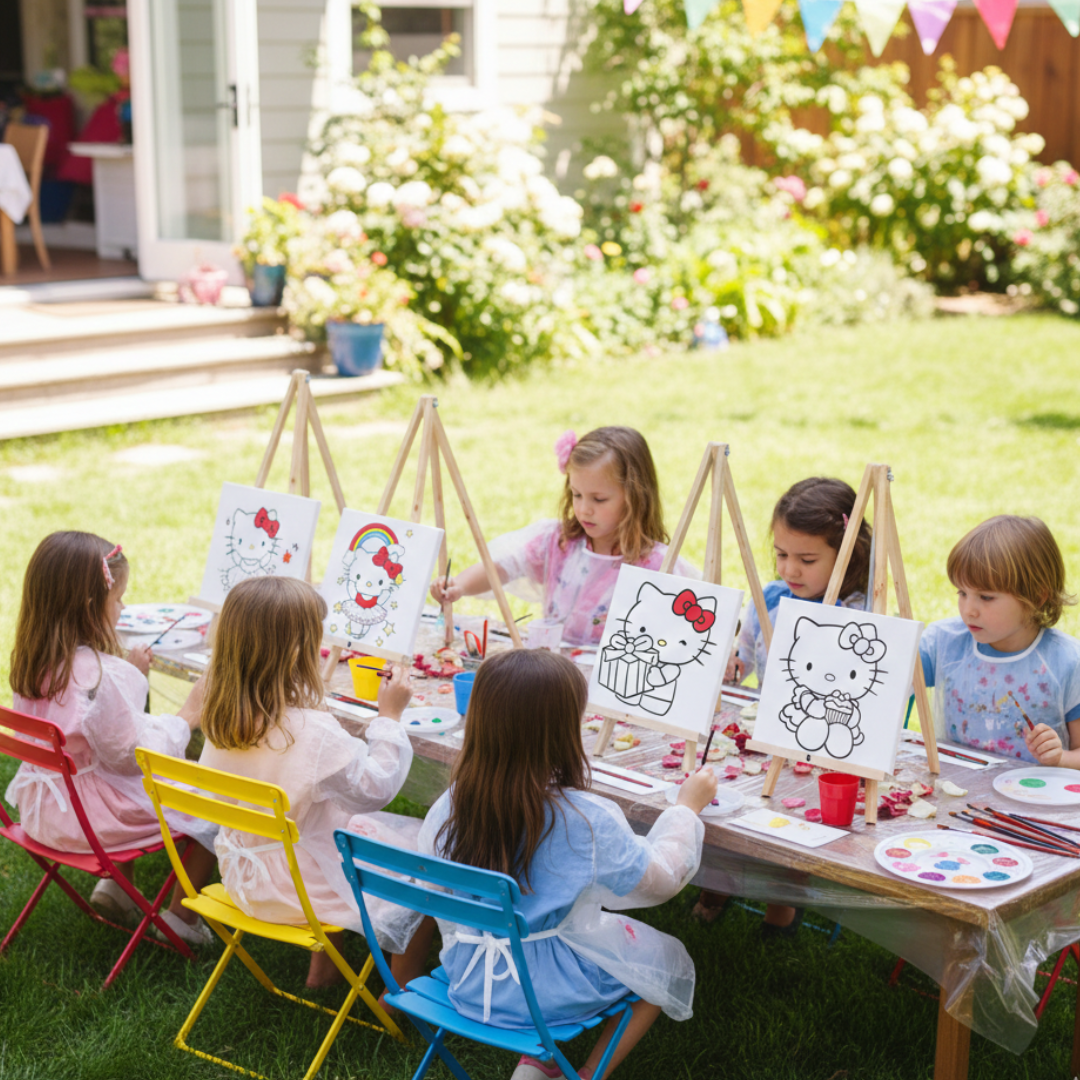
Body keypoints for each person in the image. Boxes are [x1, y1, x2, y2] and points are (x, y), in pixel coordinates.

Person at [419, 649, 716, 1080]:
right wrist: (686, 810)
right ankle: (588, 1072)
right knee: (663, 961)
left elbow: (438, 890)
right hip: (547, 992)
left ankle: (536, 1064)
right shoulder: (585, 817)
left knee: (575, 948)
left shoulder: (451, 803)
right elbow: (660, 882)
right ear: (563, 731)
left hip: (468, 978)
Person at [198, 576, 434, 989]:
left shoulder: (220, 714)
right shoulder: (313, 731)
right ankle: (402, 989)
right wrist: (389, 719)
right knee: (427, 862)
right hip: (299, 889)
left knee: (334, 830)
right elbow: (374, 791)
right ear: (298, 651)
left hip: (241, 872)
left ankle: (323, 972)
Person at [5, 531, 215, 945]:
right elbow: (138, 756)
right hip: (89, 824)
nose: (122, 608)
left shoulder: (34, 661)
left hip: (41, 811)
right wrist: (188, 715)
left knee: (106, 774)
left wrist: (127, 674)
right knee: (214, 802)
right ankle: (181, 919)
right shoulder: (103, 676)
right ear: (90, 605)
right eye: (118, 599)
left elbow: (92, 729)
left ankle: (117, 889)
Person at [701, 478, 871, 935]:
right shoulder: (771, 601)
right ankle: (717, 878)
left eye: (807, 559)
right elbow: (749, 662)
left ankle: (783, 902)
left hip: (825, 745)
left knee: (790, 813)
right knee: (720, 791)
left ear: (847, 555)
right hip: (767, 730)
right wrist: (732, 665)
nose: (790, 568)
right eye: (781, 554)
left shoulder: (861, 615)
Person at [430, 427, 696, 646]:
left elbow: (689, 627)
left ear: (636, 497)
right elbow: (501, 567)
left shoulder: (657, 565)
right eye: (577, 495)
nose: (583, 509)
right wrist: (459, 586)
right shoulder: (559, 542)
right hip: (555, 677)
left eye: (599, 499)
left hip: (615, 687)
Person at [920, 515, 1080, 765]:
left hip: (1035, 798)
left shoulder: (1068, 662)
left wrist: (1060, 758)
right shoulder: (942, 643)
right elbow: (885, 677)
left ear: (1037, 597)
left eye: (985, 597)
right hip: (955, 797)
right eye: (962, 593)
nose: (968, 609)